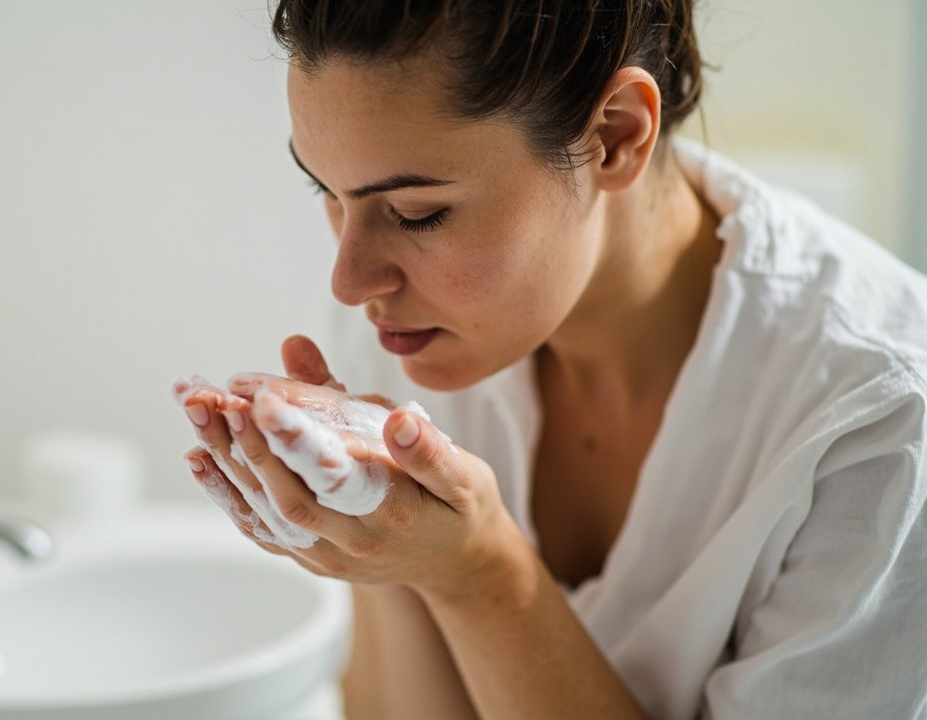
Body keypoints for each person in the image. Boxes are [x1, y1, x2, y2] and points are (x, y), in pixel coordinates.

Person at [176, 1, 927, 717]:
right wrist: (378, 547)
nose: (349, 282)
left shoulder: (880, 416)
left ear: (616, 135)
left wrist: (478, 573)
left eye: (416, 214)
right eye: (328, 192)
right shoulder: (407, 323)